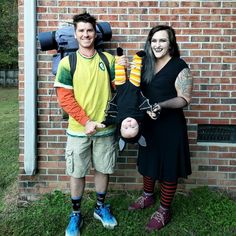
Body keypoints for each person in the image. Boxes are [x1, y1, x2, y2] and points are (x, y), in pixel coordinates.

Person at [54, 12, 118, 236]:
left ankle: (100, 208)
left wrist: (123, 72)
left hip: (105, 129)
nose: (86, 34)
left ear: (95, 33)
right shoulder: (67, 63)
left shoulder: (108, 60)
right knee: (77, 172)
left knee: (103, 169)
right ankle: (76, 214)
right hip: (78, 131)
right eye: (81, 30)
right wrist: (85, 121)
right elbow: (64, 98)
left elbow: (119, 91)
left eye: (89, 30)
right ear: (75, 34)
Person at [128, 25, 193, 232]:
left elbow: (184, 99)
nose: (157, 45)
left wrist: (161, 105)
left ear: (171, 44)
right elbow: (134, 89)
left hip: (170, 126)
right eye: (154, 41)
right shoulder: (145, 64)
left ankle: (164, 210)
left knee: (169, 168)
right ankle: (147, 196)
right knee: (149, 160)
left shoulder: (179, 66)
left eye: (162, 41)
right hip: (148, 124)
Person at [102, 47, 159, 151]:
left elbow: (110, 120)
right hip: (134, 87)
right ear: (138, 125)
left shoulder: (118, 119)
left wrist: (103, 124)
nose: (129, 124)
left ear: (120, 128)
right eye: (133, 127)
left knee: (119, 71)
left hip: (121, 88)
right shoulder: (140, 116)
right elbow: (146, 109)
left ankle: (119, 56)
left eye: (125, 128)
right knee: (136, 71)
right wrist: (151, 112)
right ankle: (137, 57)